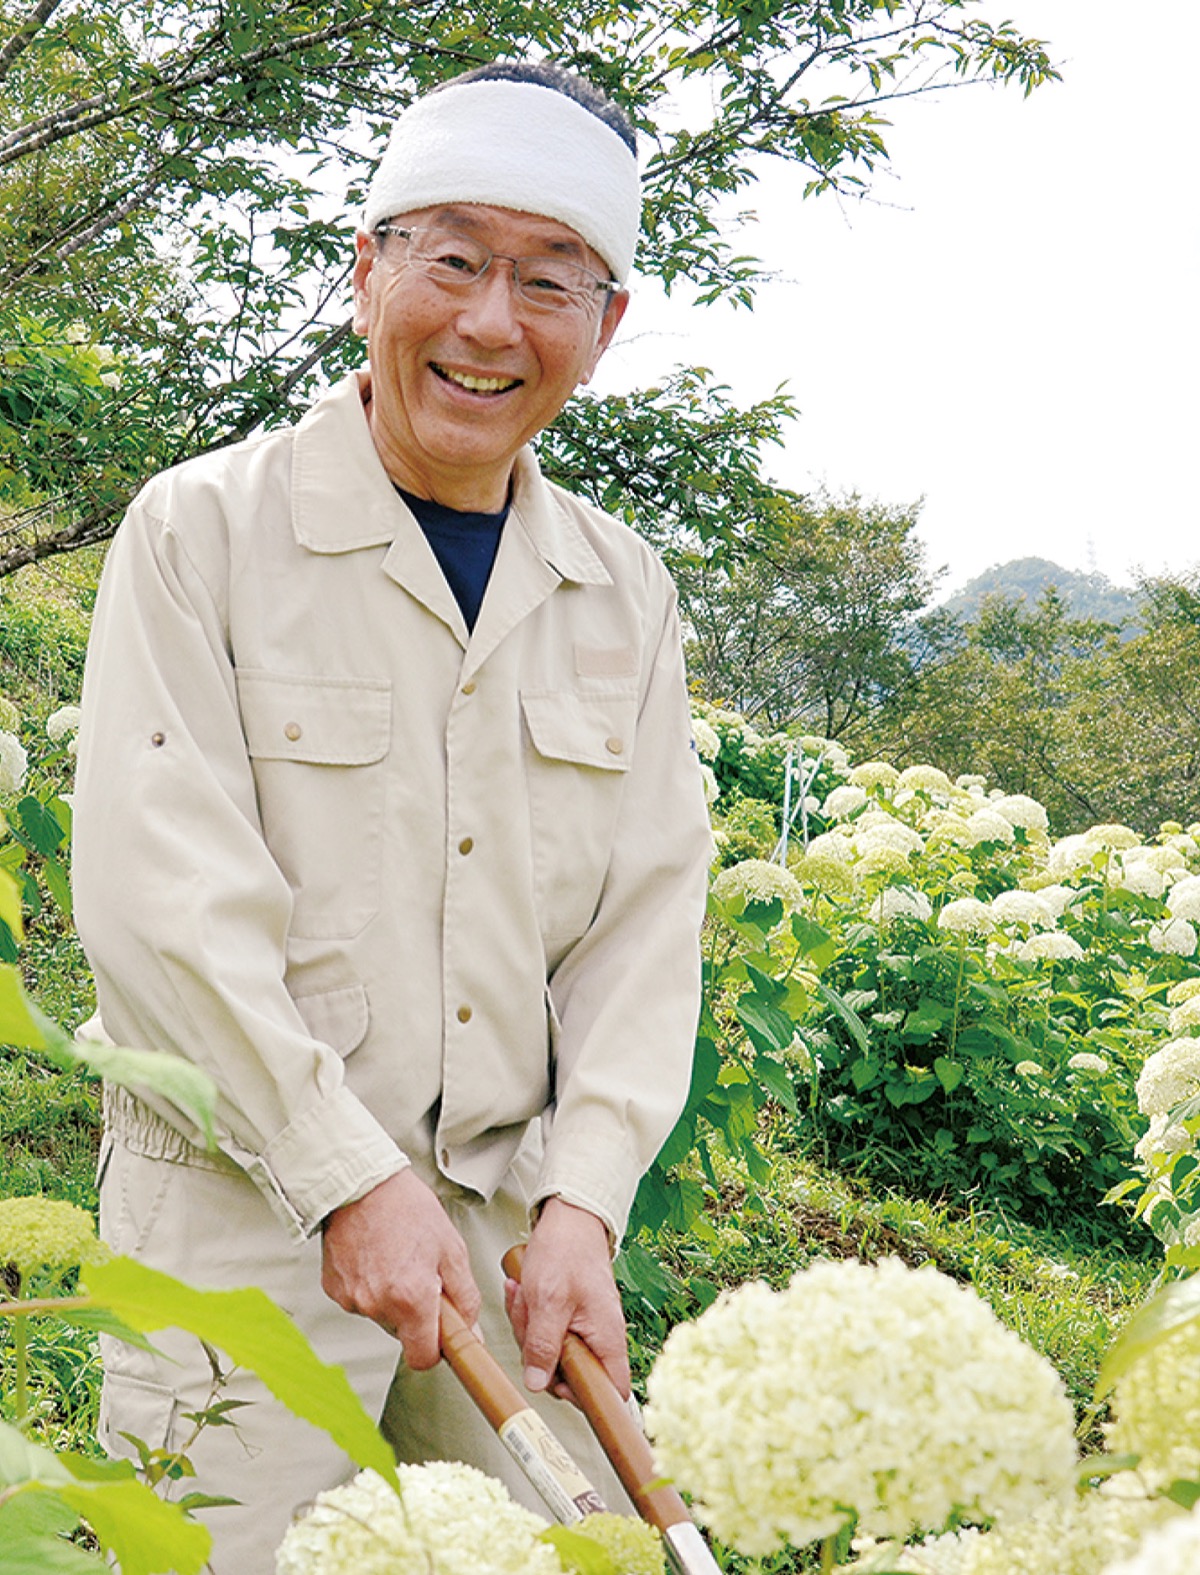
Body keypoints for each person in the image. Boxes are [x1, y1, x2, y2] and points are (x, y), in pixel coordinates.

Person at [71, 58, 712, 1572]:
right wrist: (344, 1173)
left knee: (593, 1551)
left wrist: (587, 1205)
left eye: (551, 281)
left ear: (604, 327)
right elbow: (164, 901)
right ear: (367, 272)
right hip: (241, 1210)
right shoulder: (202, 533)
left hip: (508, 1224)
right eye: (455, 260)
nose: (493, 324)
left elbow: (645, 925)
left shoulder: (626, 591)